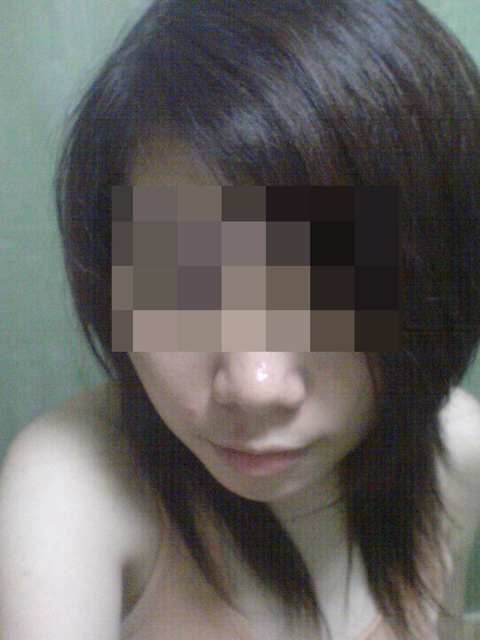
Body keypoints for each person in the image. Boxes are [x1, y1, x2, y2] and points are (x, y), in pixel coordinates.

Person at [1, 0, 480, 638]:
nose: (255, 387)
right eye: (183, 287)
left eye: (326, 286)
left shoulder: (459, 454)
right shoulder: (73, 485)